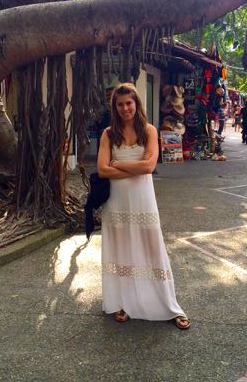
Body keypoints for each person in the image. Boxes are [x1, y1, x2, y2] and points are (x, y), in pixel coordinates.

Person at [97, 83, 190, 329]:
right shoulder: (108, 134)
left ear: (136, 104)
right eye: (120, 104)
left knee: (152, 248)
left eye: (129, 103)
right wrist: (131, 167)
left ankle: (170, 305)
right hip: (116, 203)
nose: (125, 108)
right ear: (114, 108)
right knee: (122, 249)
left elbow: (149, 167)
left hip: (143, 200)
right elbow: (102, 169)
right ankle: (125, 303)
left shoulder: (149, 131)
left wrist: (119, 164)